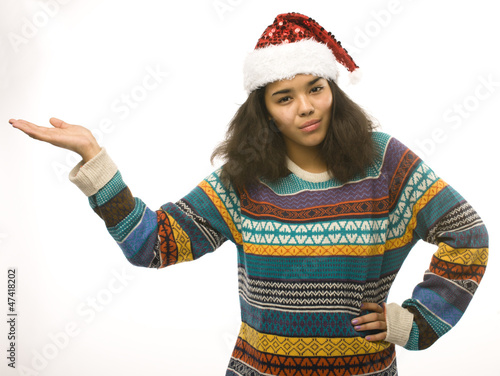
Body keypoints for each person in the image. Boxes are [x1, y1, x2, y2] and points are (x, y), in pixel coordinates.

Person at [10, 12, 488, 376]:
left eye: (315, 88)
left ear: (332, 90)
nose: (305, 107)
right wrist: (95, 158)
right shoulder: (244, 180)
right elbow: (153, 245)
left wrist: (417, 321)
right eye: (284, 97)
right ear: (264, 110)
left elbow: (467, 233)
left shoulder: (384, 163)